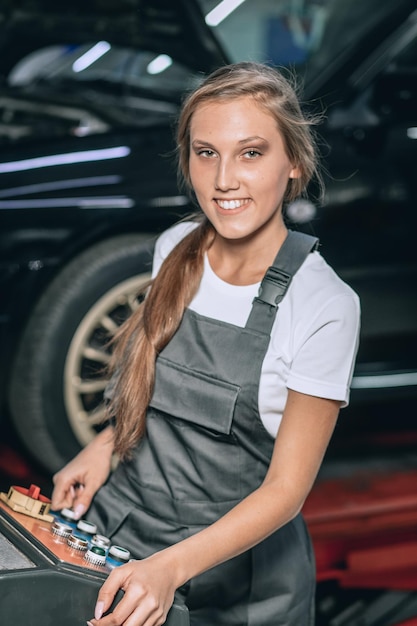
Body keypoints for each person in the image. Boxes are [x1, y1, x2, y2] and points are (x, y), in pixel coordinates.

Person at [51, 61, 360, 626]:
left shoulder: (324, 305)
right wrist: (103, 448)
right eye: (206, 152)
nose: (223, 180)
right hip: (125, 526)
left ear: (292, 163)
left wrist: (170, 569)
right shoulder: (174, 247)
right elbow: (154, 388)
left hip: (231, 578)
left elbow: (287, 491)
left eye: (251, 153)